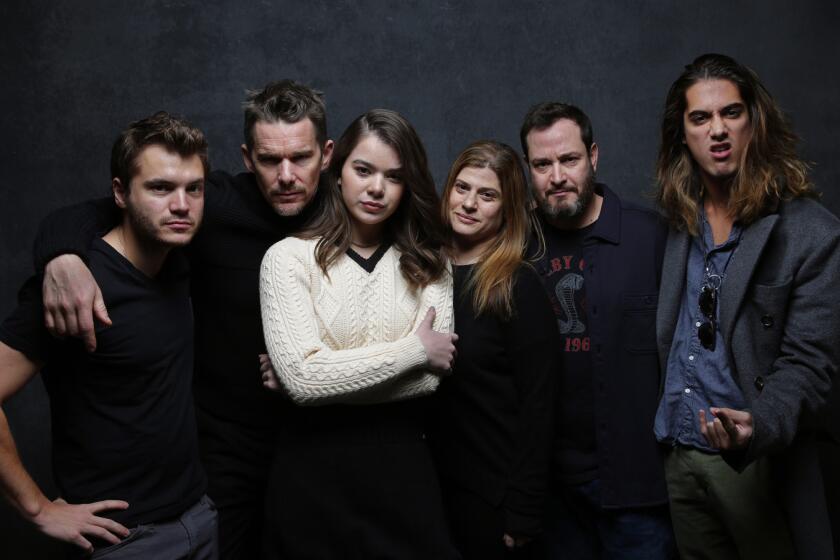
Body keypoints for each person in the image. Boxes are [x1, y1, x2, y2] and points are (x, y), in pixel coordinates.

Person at [31, 80, 334, 559]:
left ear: (328, 155)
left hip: (320, 444)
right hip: (223, 453)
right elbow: (102, 208)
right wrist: (61, 254)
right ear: (247, 157)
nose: (287, 175)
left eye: (301, 157)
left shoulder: (351, 210)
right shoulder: (206, 204)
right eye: (270, 160)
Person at [0, 112, 217, 557]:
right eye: (160, 188)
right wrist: (38, 510)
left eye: (193, 188)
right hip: (125, 540)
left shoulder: (180, 255)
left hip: (199, 516)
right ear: (120, 192)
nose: (181, 205)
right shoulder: (75, 287)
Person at [654, 53, 840, 560]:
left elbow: (809, 364)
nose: (718, 130)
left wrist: (757, 428)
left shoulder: (810, 232)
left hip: (755, 459)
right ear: (683, 134)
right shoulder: (677, 222)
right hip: (677, 451)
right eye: (700, 118)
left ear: (755, 121)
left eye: (731, 113)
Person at [258, 108, 460, 559]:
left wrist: (315, 376)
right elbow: (306, 380)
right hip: (311, 475)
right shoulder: (287, 259)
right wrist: (413, 350)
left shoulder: (431, 263)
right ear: (337, 170)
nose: (376, 188)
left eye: (393, 176)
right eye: (363, 170)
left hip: (403, 475)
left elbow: (431, 377)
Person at [519, 102, 675, 558]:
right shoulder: (514, 242)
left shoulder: (650, 237)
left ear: (593, 156)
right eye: (542, 164)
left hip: (638, 489)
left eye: (568, 160)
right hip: (551, 495)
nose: (557, 176)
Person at [427, 140, 559, 559]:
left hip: (493, 495)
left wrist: (523, 508)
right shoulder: (423, 271)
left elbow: (541, 404)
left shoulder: (516, 284)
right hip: (430, 487)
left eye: (487, 195)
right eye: (462, 188)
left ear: (507, 209)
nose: (468, 204)